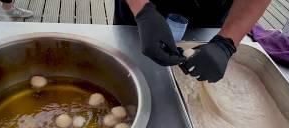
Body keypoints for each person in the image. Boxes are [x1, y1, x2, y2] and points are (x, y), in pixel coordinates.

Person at [114, 0, 271, 82]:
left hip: (208, 11)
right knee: (125, 69)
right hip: (141, 12)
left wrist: (226, 42)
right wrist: (142, 10)